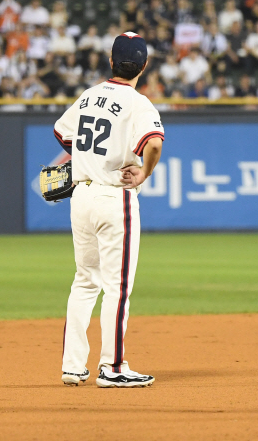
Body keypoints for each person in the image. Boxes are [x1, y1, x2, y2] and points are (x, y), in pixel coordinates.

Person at [54, 32, 163, 388]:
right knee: (117, 287)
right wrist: (145, 170)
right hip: (114, 198)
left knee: (84, 282)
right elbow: (154, 144)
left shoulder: (88, 96)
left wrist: (90, 158)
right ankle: (112, 367)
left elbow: (63, 133)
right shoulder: (137, 102)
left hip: (81, 196)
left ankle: (72, 366)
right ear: (144, 65)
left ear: (110, 60)